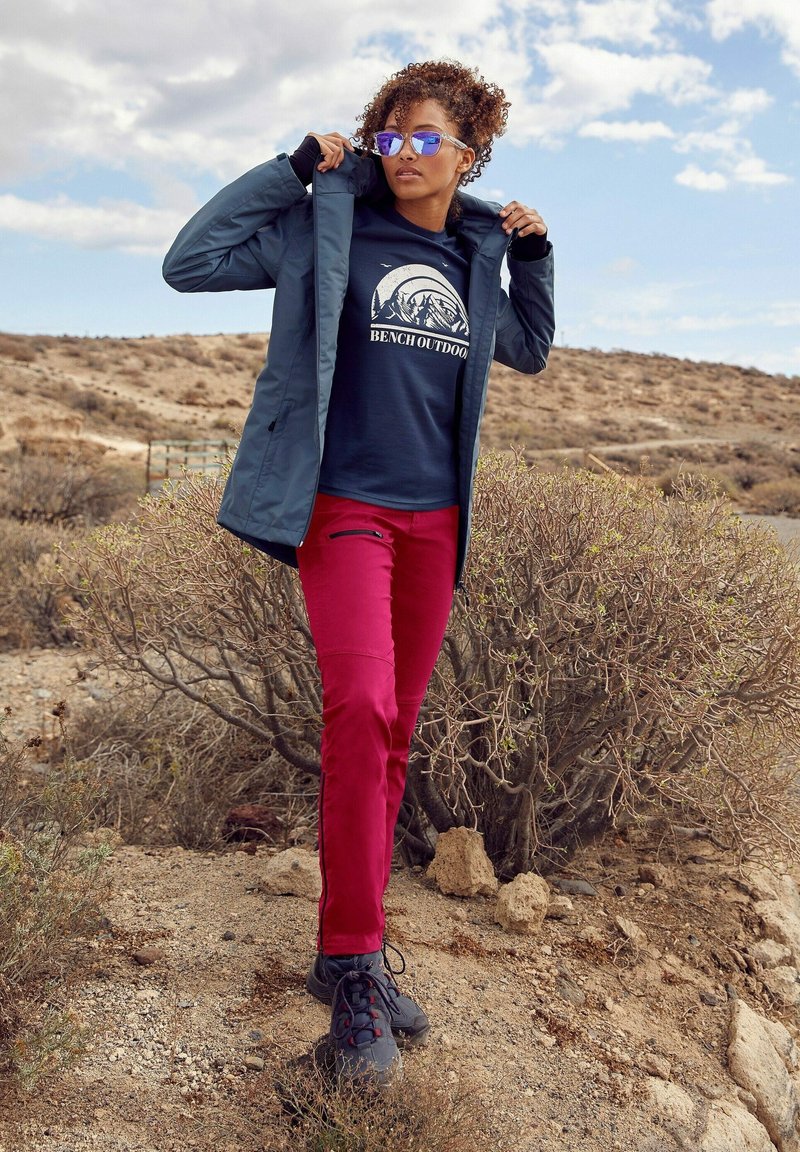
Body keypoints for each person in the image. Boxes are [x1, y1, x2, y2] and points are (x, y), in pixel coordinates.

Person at [163, 58, 555, 1086]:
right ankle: (352, 966)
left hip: (435, 523)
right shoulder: (326, 225)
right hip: (343, 508)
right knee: (362, 708)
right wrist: (289, 169)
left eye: (427, 138)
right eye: (390, 134)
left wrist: (533, 254)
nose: (403, 153)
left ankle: (354, 958)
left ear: (470, 153)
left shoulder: (472, 252)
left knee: (391, 740)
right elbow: (189, 264)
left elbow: (527, 348)